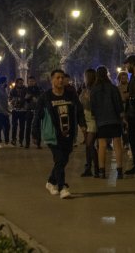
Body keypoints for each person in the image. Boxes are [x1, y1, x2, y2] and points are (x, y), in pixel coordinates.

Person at [33, 69, 87, 199]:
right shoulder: (45, 97)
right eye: (57, 78)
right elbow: (37, 116)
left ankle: (51, 182)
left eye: (62, 77)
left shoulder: (70, 95)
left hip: (68, 134)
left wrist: (82, 124)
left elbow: (79, 110)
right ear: (52, 80)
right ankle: (63, 187)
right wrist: (35, 134)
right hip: (53, 134)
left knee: (63, 160)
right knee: (59, 158)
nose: (61, 80)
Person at [91, 66, 125, 179]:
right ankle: (119, 171)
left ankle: (102, 171)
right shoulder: (113, 88)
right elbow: (118, 104)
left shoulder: (94, 90)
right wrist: (122, 116)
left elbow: (93, 107)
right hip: (114, 119)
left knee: (102, 145)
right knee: (117, 144)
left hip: (101, 121)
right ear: (107, 74)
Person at [78, 69, 98, 178]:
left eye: (85, 76)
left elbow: (93, 104)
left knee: (90, 144)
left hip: (92, 118)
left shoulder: (95, 89)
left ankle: (97, 168)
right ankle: (88, 168)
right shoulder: (85, 89)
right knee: (88, 145)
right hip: (86, 118)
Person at [24, 76, 42, 149]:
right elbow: (24, 99)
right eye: (30, 81)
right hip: (29, 110)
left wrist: (36, 99)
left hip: (37, 110)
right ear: (28, 82)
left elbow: (41, 98)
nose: (31, 82)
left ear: (35, 81)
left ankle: (38, 143)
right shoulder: (26, 90)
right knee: (28, 127)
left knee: (38, 127)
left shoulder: (39, 89)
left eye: (32, 81)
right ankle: (27, 143)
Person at [9, 78, 27, 147]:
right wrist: (14, 101)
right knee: (14, 126)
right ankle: (13, 139)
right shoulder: (13, 90)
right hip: (15, 110)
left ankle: (21, 141)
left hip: (23, 110)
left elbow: (27, 99)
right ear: (16, 83)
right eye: (19, 83)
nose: (21, 84)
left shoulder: (25, 89)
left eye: (22, 83)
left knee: (22, 127)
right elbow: (10, 99)